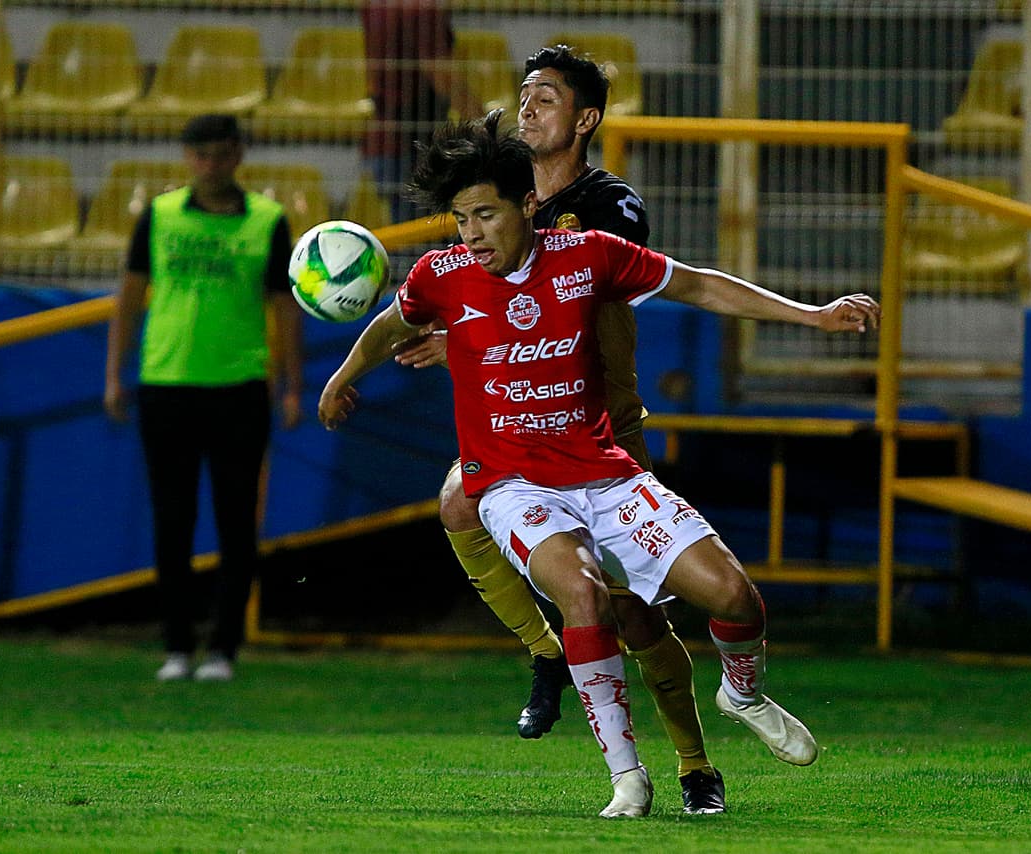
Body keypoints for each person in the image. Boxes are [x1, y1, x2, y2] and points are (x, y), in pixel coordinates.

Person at [318, 111, 879, 818]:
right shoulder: (443, 276)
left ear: (528, 205)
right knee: (582, 597)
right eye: (460, 220)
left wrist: (815, 315)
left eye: (485, 215)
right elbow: (392, 323)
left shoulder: (589, 257)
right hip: (516, 487)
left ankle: (741, 692)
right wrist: (343, 376)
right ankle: (627, 776)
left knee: (736, 599)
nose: (472, 235)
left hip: (608, 475)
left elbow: (699, 285)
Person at [395, 45, 728, 815]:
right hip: (521, 436)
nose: (528, 108)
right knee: (457, 503)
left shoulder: (608, 206)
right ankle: (546, 654)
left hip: (603, 431)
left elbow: (588, 293)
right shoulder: (497, 208)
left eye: (545, 97)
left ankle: (694, 764)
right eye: (522, 96)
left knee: (639, 619)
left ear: (584, 119)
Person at [104, 113, 304, 683]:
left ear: (238, 154)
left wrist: (291, 386)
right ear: (186, 157)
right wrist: (115, 375)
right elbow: (130, 295)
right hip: (166, 383)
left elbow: (283, 306)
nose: (211, 165)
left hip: (240, 387)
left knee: (237, 522)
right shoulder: (159, 216)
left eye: (221, 153)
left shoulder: (267, 220)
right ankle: (175, 645)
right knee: (173, 521)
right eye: (201, 154)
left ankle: (222, 649)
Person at [362, 0, 481, 221]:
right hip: (415, 150)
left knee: (410, 237)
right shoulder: (421, 8)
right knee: (423, 240)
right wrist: (485, 126)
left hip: (387, 142)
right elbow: (442, 75)